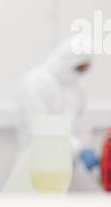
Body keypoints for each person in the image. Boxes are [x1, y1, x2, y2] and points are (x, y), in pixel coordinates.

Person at [16, 36, 98, 175]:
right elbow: (40, 130)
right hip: (36, 166)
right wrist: (78, 148)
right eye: (80, 67)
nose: (82, 72)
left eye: (85, 68)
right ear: (68, 61)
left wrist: (86, 146)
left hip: (64, 168)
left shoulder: (75, 87)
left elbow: (82, 122)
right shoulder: (36, 82)